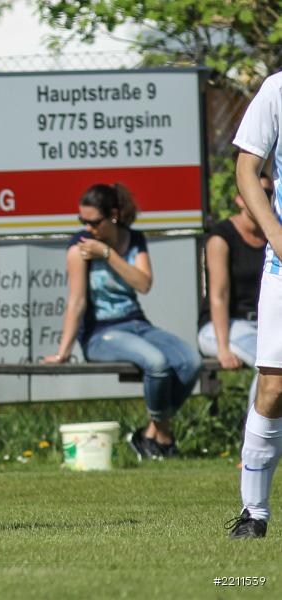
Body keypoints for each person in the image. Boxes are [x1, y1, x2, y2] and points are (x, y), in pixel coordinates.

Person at [43, 183, 202, 460]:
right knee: (157, 363)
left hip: (137, 324)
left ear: (113, 216)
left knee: (191, 362)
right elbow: (76, 301)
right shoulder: (79, 248)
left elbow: (143, 283)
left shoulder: (134, 240)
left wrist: (108, 254)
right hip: (100, 333)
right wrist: (64, 351)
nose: (87, 228)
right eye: (83, 221)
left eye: (94, 222)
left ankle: (151, 433)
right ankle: (159, 436)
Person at [224, 71, 282, 540]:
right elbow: (247, 168)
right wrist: (276, 236)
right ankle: (254, 513)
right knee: (274, 387)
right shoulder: (277, 89)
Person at [197, 177, 269, 410]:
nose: (263, 198)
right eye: (256, 192)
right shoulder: (221, 237)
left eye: (268, 192)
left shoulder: (274, 233)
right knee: (270, 364)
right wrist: (223, 348)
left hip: (264, 327)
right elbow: (219, 295)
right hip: (223, 327)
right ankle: (256, 443)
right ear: (240, 199)